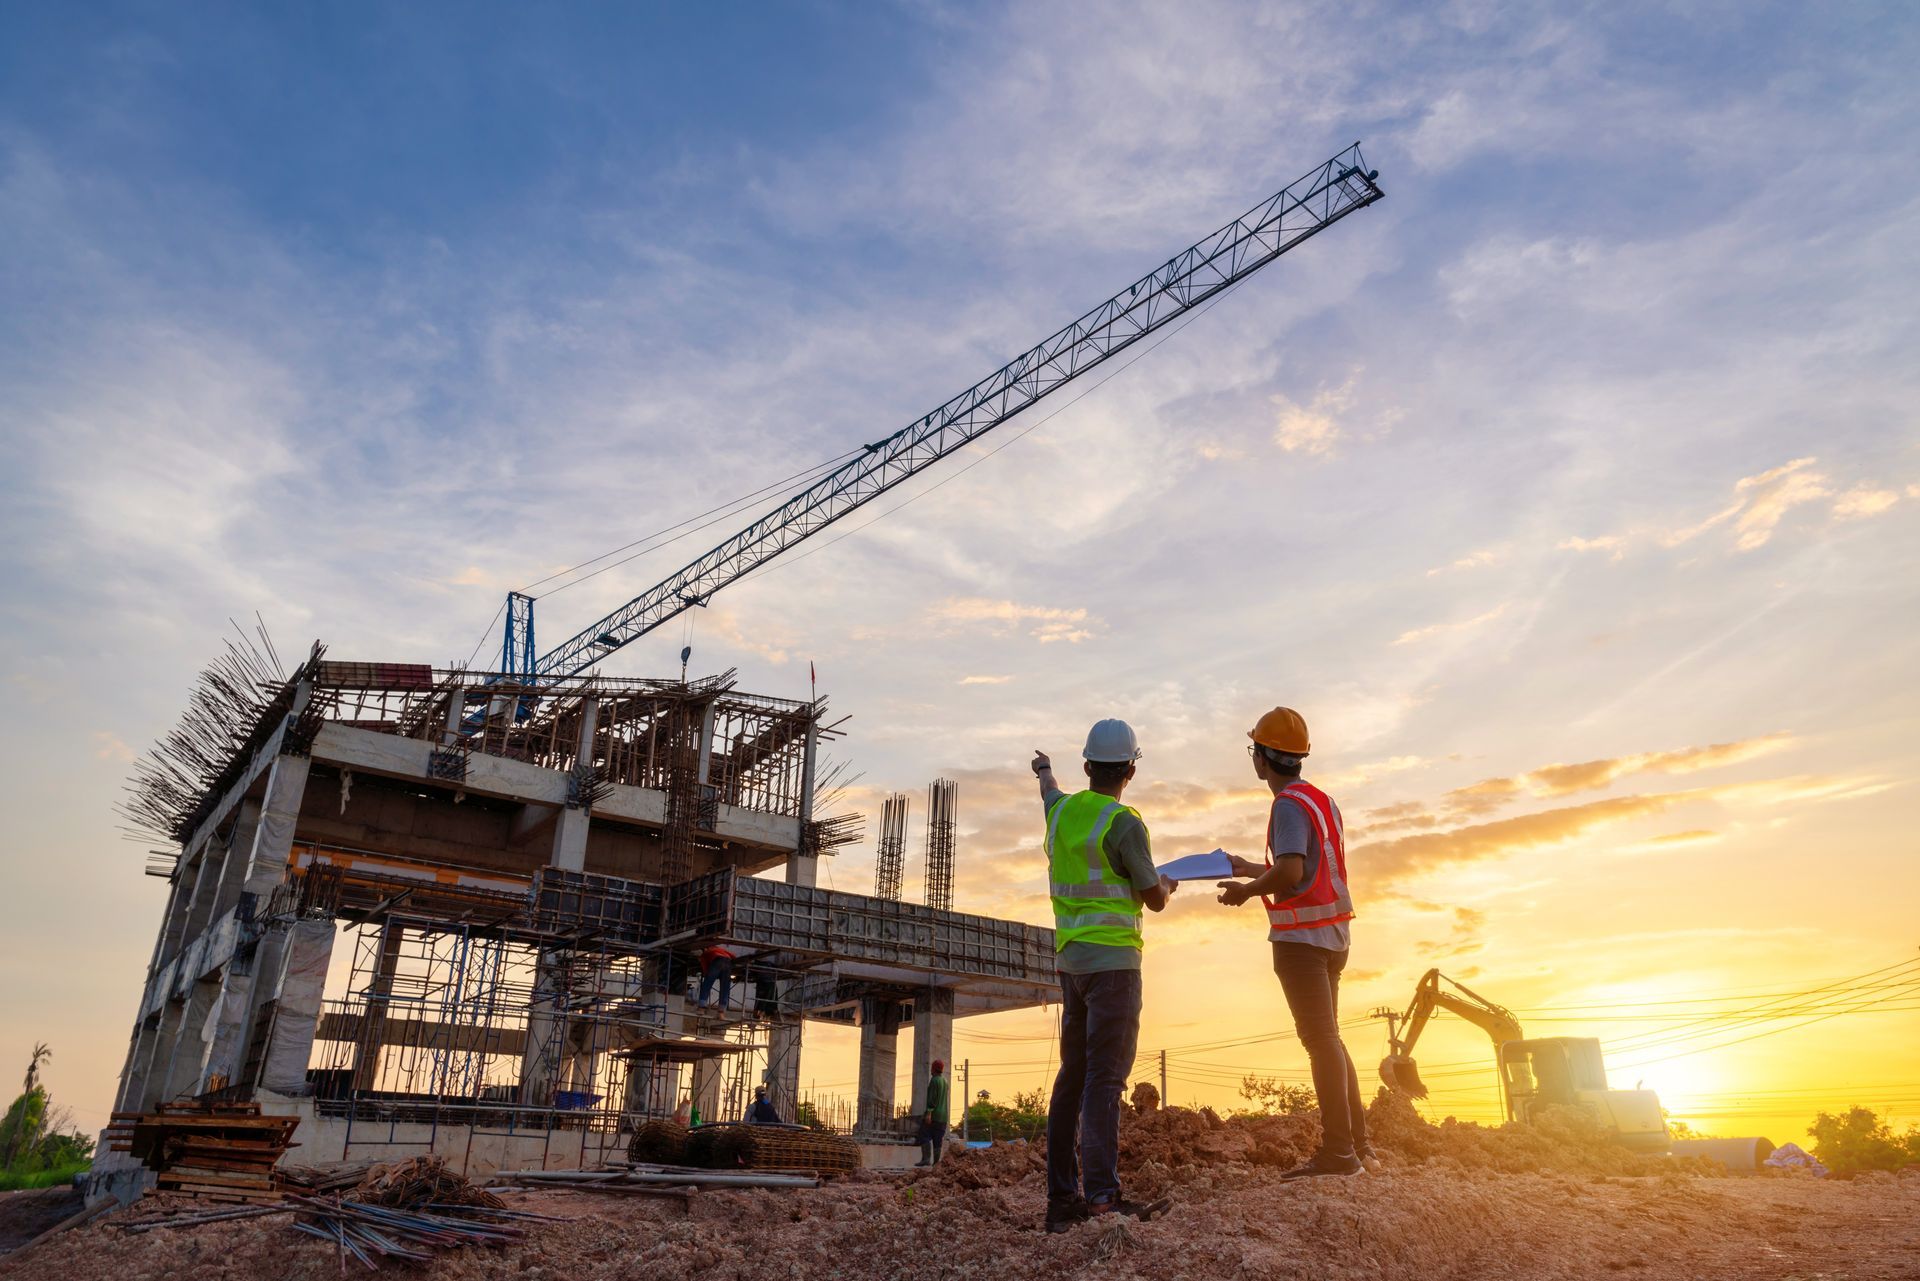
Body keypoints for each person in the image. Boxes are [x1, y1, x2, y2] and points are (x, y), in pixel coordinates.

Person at [1214, 706, 1371, 1178]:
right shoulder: (1320, 800)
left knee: (1321, 1041)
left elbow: (1291, 871)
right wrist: (1247, 867)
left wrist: (1246, 891)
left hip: (1301, 941)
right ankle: (1359, 1147)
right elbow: (1305, 871)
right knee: (1332, 1040)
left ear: (1263, 757)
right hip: (1334, 935)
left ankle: (1339, 1154)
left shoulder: (1285, 804)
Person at [1034, 719, 1177, 1233]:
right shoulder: (1124, 824)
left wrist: (1044, 769)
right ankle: (1101, 1198)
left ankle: (1061, 1201)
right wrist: (1165, 883)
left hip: (1071, 965)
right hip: (1114, 966)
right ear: (1131, 770)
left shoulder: (1063, 811)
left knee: (1072, 1077)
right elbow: (1153, 899)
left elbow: (1049, 793)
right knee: (1103, 1081)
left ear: (1088, 766)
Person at [915, 1059, 950, 1166]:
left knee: (923, 1134)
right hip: (943, 1117)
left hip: (934, 1115)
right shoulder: (945, 1081)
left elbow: (932, 1099)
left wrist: (929, 1113)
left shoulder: (934, 1080)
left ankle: (926, 1159)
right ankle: (936, 1164)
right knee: (937, 1139)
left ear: (933, 1068)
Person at [696, 943, 735, 1012]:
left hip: (717, 961)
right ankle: (721, 1011)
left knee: (707, 984)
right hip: (728, 962)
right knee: (725, 987)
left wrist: (707, 975)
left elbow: (705, 968)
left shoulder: (705, 953)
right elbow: (733, 956)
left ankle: (701, 1007)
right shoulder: (720, 949)